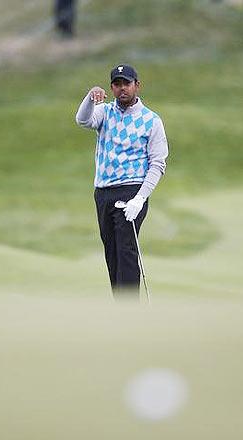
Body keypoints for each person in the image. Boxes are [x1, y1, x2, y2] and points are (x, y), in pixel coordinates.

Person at [75, 64, 168, 300]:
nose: (122, 89)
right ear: (112, 88)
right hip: (103, 192)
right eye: (117, 84)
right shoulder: (105, 112)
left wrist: (140, 198)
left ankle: (130, 312)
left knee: (126, 249)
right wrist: (90, 97)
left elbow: (158, 164)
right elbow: (82, 120)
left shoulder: (151, 121)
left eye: (126, 83)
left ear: (137, 85)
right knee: (112, 252)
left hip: (132, 190)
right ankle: (121, 309)